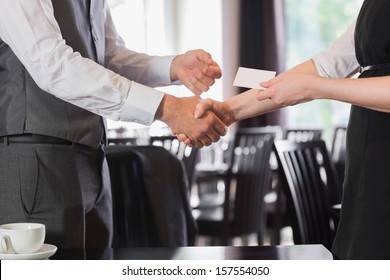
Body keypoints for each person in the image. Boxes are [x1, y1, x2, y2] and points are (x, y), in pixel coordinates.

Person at [0, 0, 226, 249]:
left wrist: (172, 66)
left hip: (94, 157)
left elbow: (107, 57)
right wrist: (167, 107)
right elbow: (52, 64)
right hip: (36, 160)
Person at [183, 0, 390, 259]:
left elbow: (318, 80)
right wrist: (230, 110)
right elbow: (327, 65)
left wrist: (317, 88)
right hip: (370, 153)